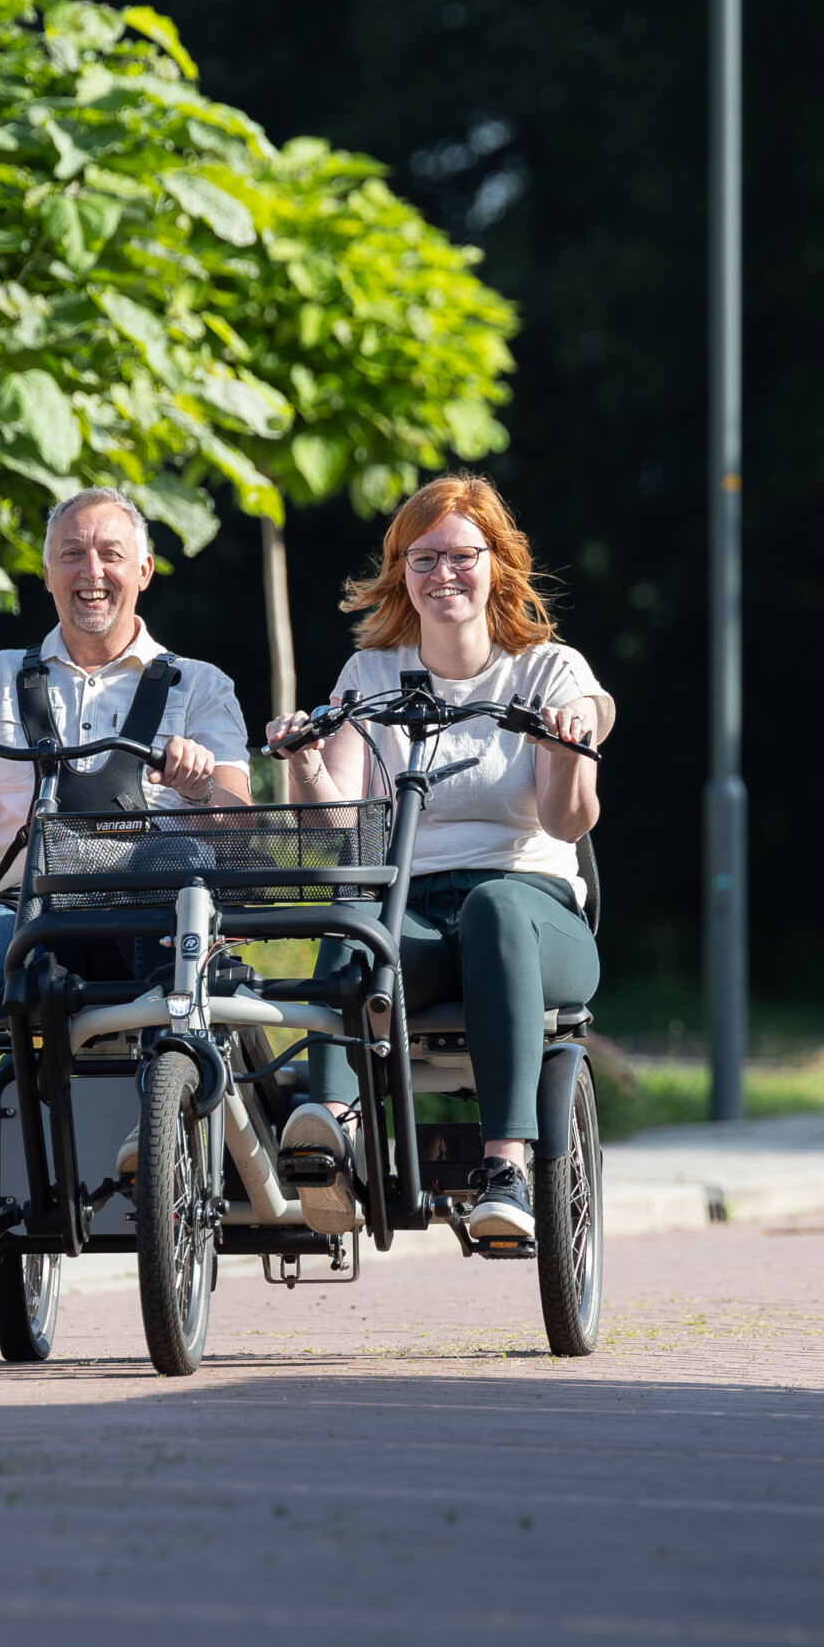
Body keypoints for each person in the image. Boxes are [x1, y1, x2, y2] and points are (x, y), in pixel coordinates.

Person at [0, 487, 252, 1311]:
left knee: (176, 858)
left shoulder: (198, 685)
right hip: (27, 913)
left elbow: (238, 830)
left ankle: (153, 1132)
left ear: (144, 570)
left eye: (108, 554)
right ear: (48, 573)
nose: (91, 572)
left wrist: (201, 784)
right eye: (72, 555)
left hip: (154, 914)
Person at [266, 473, 609, 1242]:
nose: (442, 574)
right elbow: (338, 826)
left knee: (494, 906)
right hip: (412, 912)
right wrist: (306, 757)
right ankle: (331, 1131)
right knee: (354, 920)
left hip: (531, 911)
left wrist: (572, 744)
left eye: (461, 555)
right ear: (401, 574)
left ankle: (507, 1168)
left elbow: (566, 817)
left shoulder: (546, 669)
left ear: (497, 563)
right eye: (422, 559)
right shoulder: (373, 676)